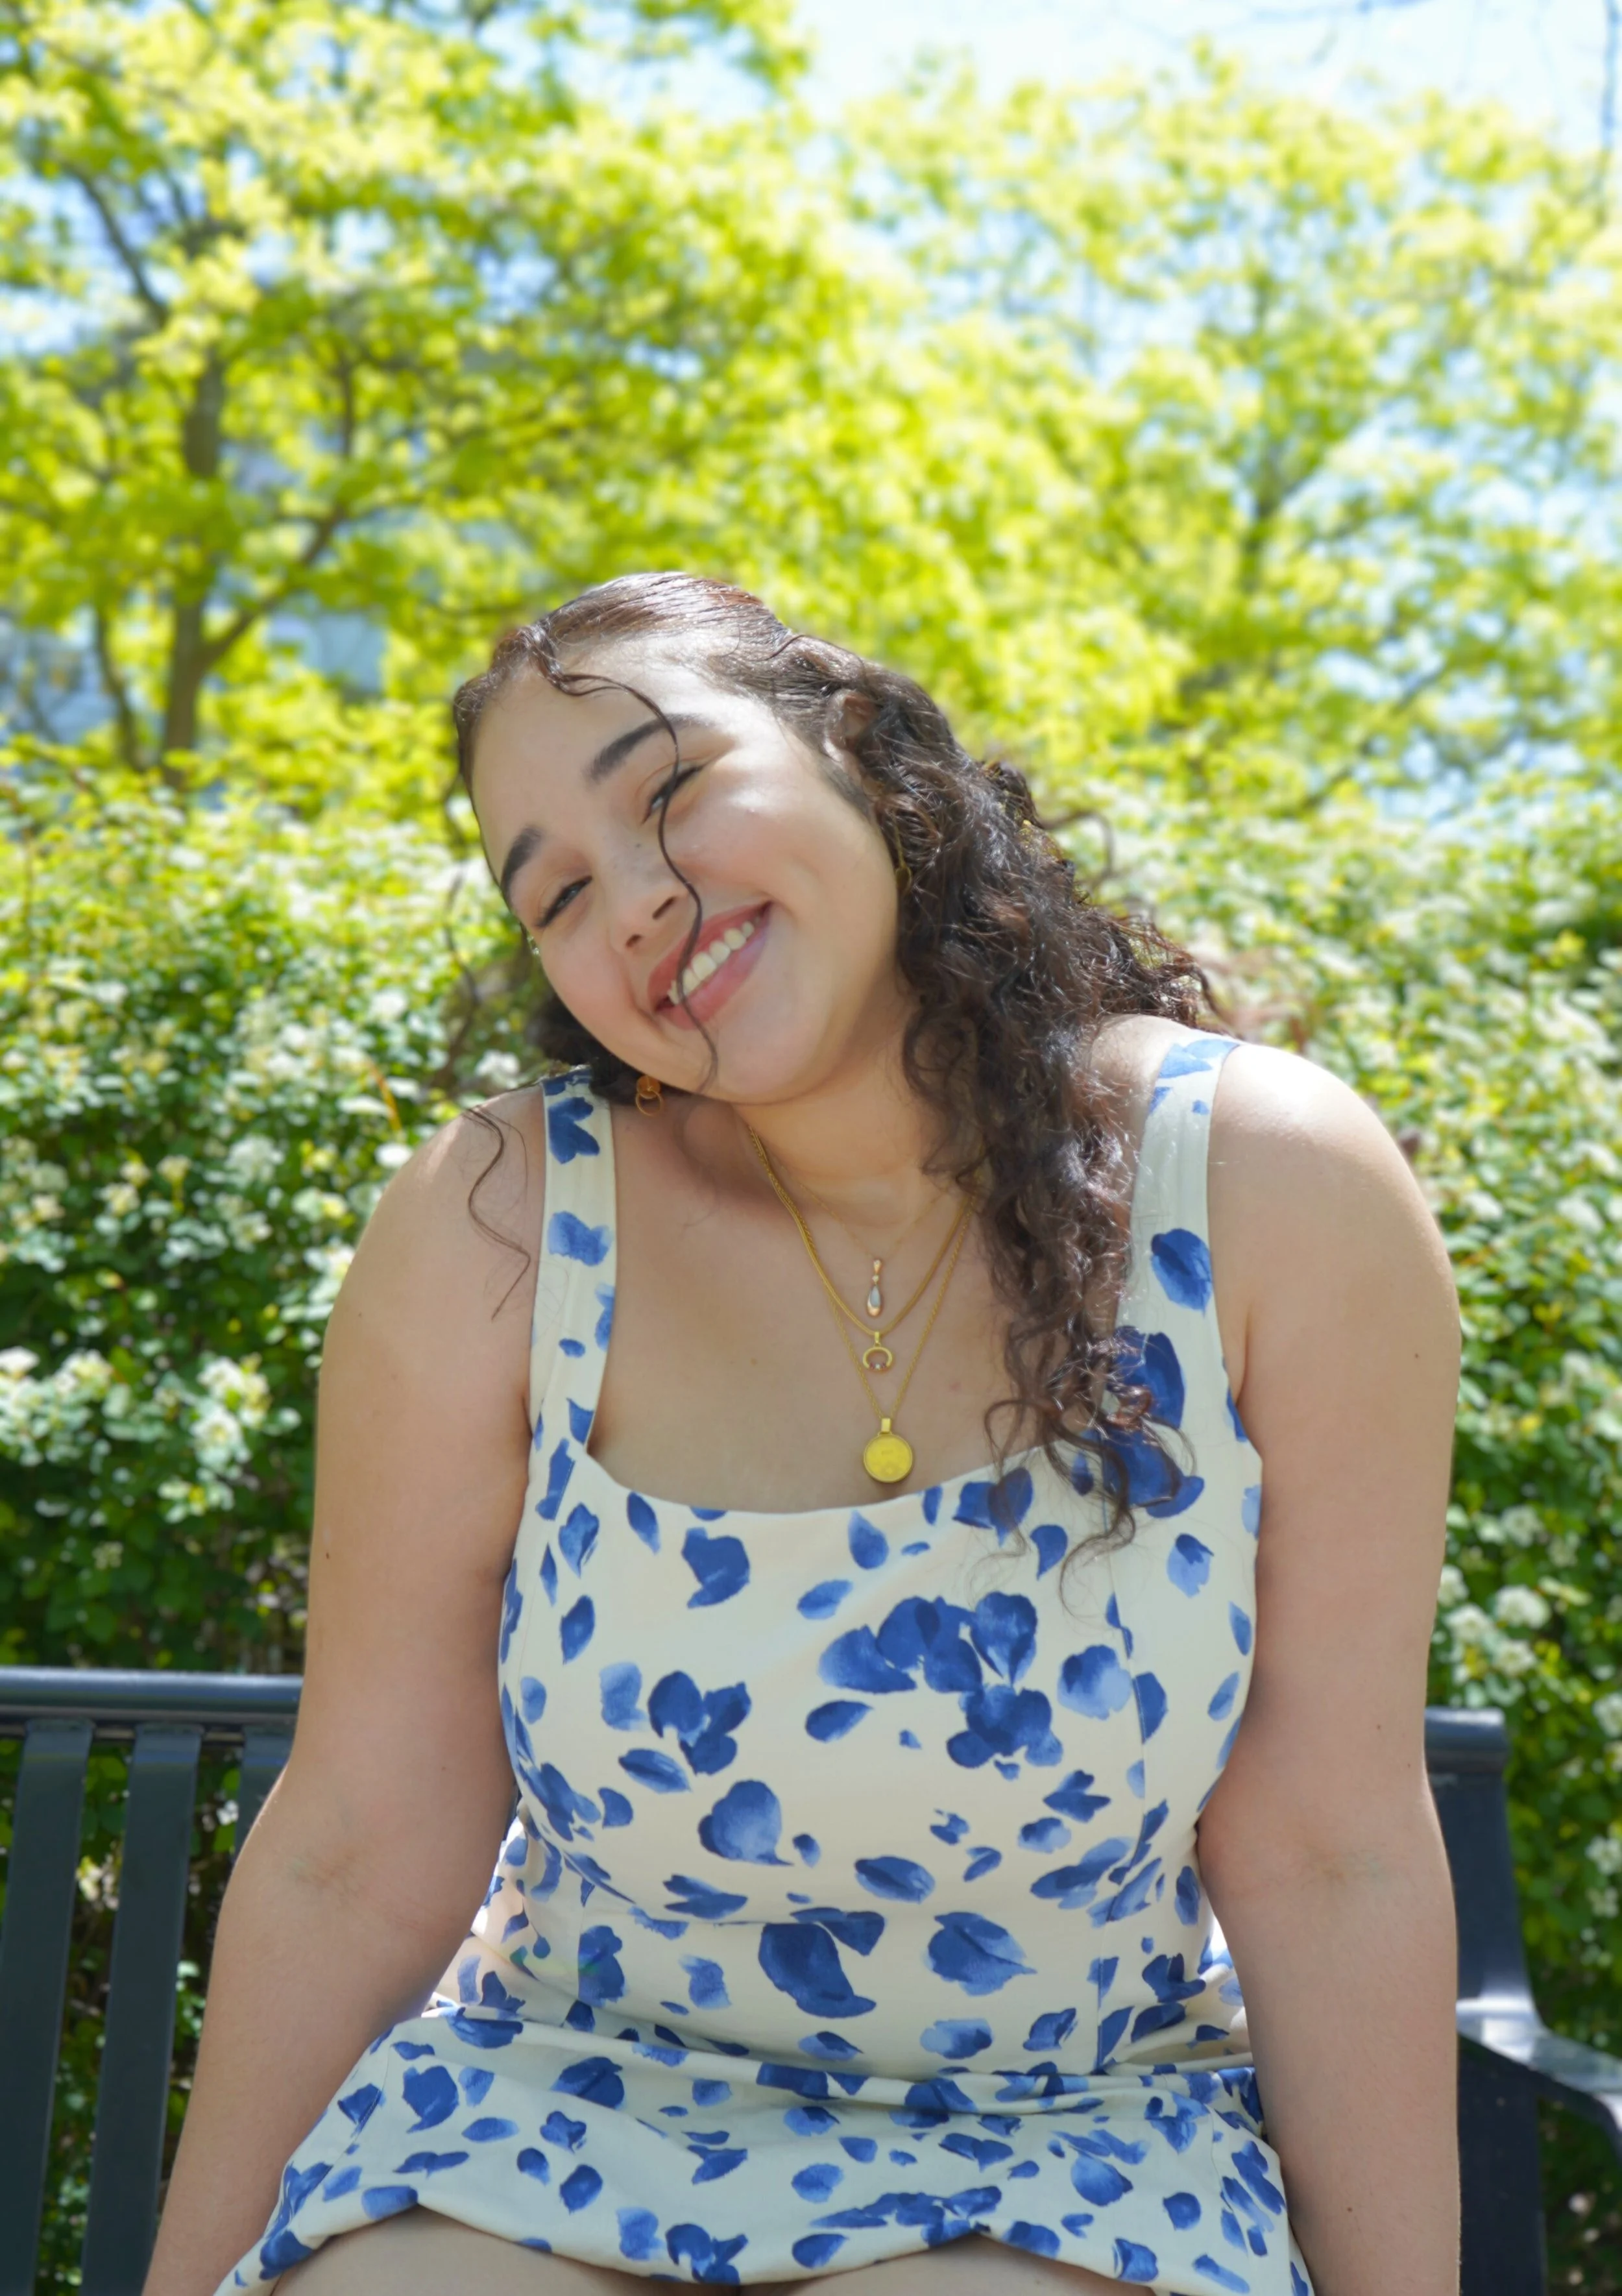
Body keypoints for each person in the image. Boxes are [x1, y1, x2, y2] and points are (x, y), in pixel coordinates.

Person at [145, 573, 1462, 2296]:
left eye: (667, 790)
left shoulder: (1267, 1187)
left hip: (1065, 2143)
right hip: (554, 2113)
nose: (632, 900)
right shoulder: (503, 1224)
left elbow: (1328, 1848)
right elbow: (358, 1845)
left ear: (861, 752)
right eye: (554, 895)